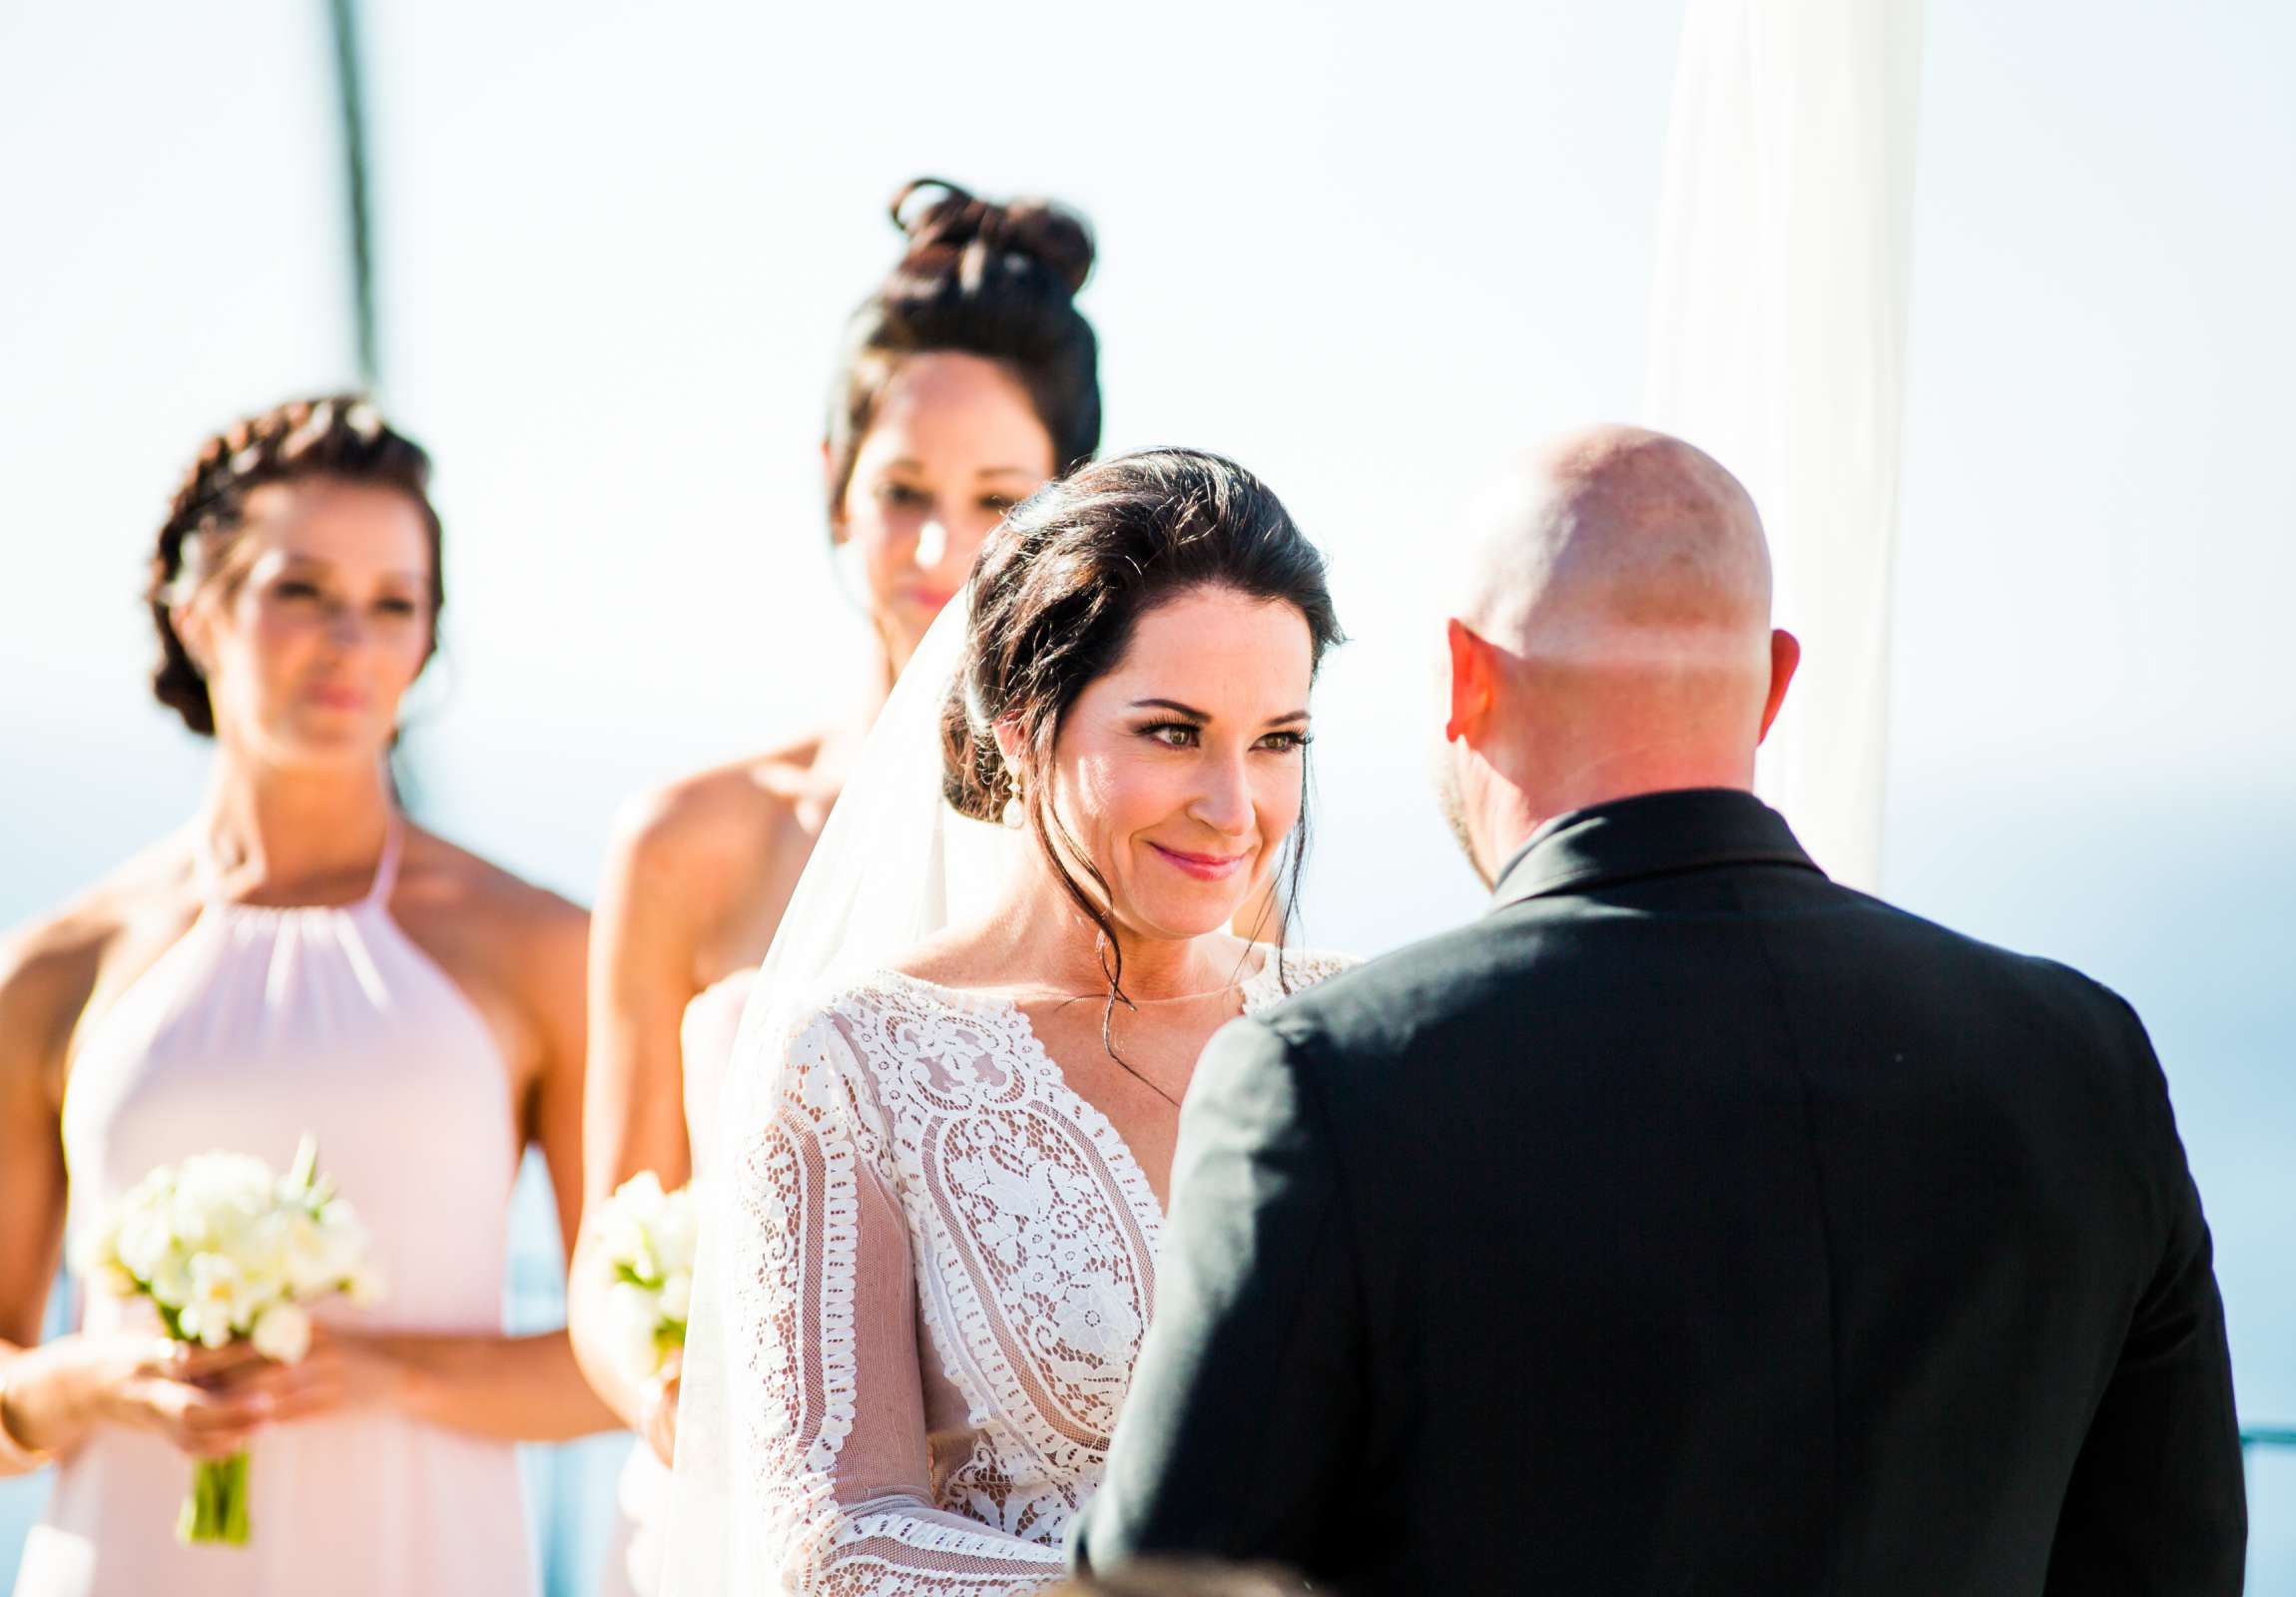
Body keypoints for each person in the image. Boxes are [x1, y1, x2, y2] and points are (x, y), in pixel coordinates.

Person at [1072, 425, 2246, 1594]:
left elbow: (1160, 1582)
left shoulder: (1324, 1082)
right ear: (1776, 682)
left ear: (1467, 679)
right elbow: (2175, 1564)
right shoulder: (2084, 1062)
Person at [663, 449, 1349, 1596]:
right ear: (1024, 720)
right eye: (1173, 732)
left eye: (1277, 741)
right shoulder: (855, 1062)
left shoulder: (1359, 1030)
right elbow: (836, 1547)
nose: (1236, 808)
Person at [0, 396, 612, 1595]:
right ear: (197, 610)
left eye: (395, 604)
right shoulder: (57, 969)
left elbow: (636, 1355)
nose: (351, 642)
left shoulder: (540, 947)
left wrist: (387, 1374)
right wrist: (93, 1381)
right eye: (301, 592)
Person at [566, 182, 1104, 1535]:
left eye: (998, 499)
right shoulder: (687, 845)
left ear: (1068, 515)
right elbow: (601, 1258)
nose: (938, 550)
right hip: (721, 1514)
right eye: (902, 492)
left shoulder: (1132, 845)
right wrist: (679, 1399)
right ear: (832, 486)